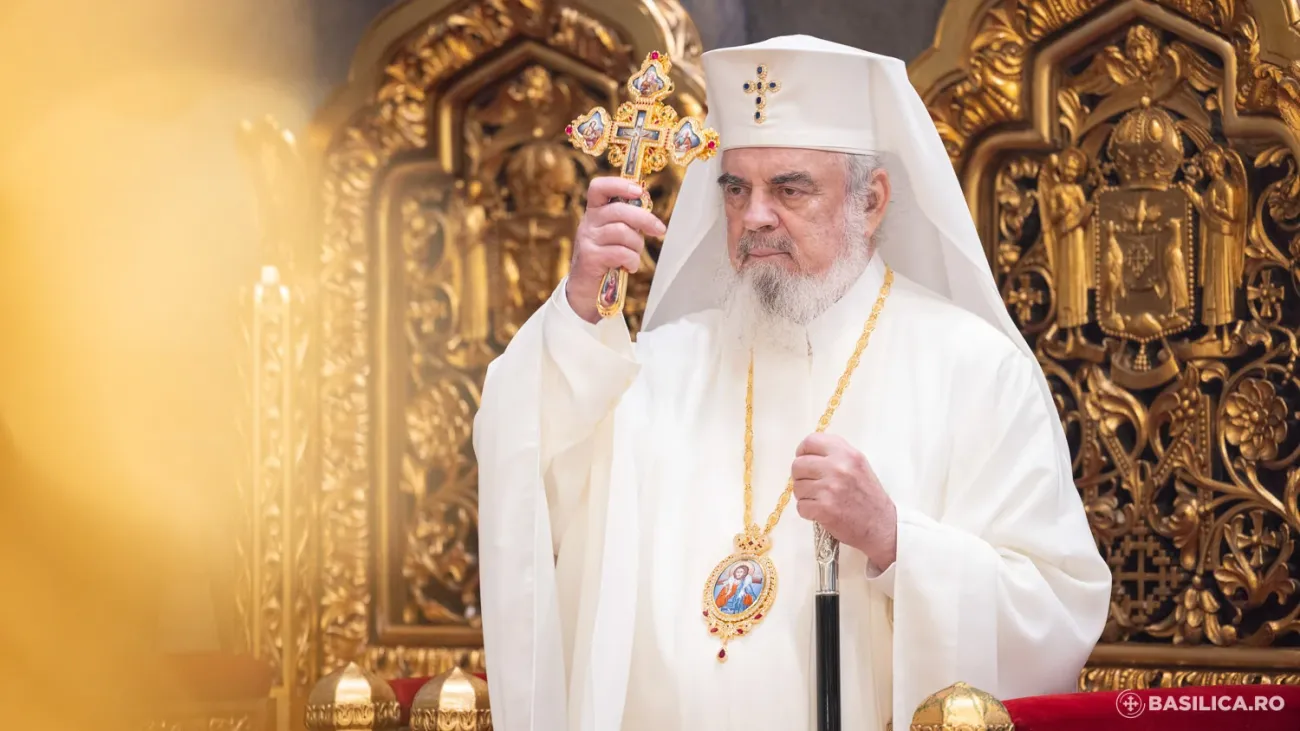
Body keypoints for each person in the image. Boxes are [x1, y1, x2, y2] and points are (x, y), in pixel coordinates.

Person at [474, 35, 1110, 731]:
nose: (754, 217)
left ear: (871, 201)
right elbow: (532, 474)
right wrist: (576, 308)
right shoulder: (660, 368)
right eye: (736, 189)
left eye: (789, 188)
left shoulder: (977, 371)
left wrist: (894, 538)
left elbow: (1055, 611)